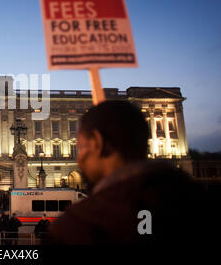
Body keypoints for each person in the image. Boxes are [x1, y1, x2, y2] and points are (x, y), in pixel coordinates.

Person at [49, 100, 217, 245]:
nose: (79, 159)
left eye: (81, 147)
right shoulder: (202, 203)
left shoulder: (75, 226)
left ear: (98, 142)